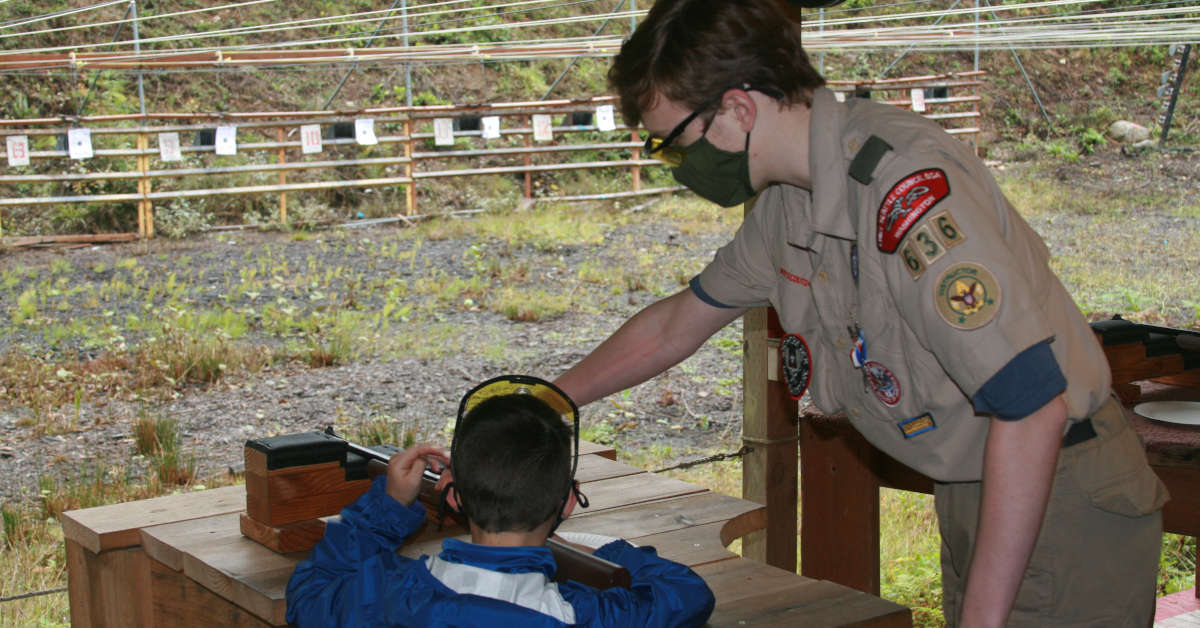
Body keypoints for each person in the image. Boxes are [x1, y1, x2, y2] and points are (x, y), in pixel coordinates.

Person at [552, 1, 1168, 626]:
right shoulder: (789, 202)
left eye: (675, 143)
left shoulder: (902, 185)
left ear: (737, 109)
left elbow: (1031, 405)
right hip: (977, 484)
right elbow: (679, 321)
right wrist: (546, 400)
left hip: (1058, 488)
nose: (678, 164)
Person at [285, 377, 715, 628]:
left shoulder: (386, 593)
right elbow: (687, 592)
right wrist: (607, 551)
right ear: (567, 502)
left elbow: (308, 594)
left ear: (451, 494)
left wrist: (387, 508)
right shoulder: (586, 615)